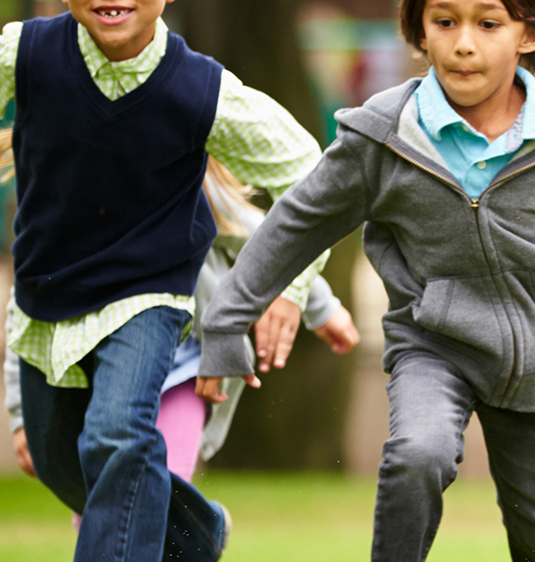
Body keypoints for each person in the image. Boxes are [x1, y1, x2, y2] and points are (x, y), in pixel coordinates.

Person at [196, 0, 535, 562]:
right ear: (420, 29)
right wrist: (228, 324)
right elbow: (295, 226)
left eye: (489, 23)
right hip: (433, 341)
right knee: (416, 457)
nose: (463, 44)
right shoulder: (381, 136)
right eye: (445, 21)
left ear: (530, 33)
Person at [5, 0, 327, 562]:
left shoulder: (202, 91)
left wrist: (287, 291)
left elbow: (309, 173)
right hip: (45, 293)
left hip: (148, 294)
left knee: (117, 437)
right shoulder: (26, 54)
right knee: (66, 466)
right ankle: (198, 533)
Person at [8, 158, 359, 486]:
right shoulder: (66, 204)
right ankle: (204, 530)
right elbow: (27, 312)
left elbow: (268, 242)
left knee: (162, 485)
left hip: (183, 370)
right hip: (95, 371)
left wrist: (320, 306)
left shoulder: (186, 184)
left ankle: (195, 532)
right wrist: (23, 415)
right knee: (100, 497)